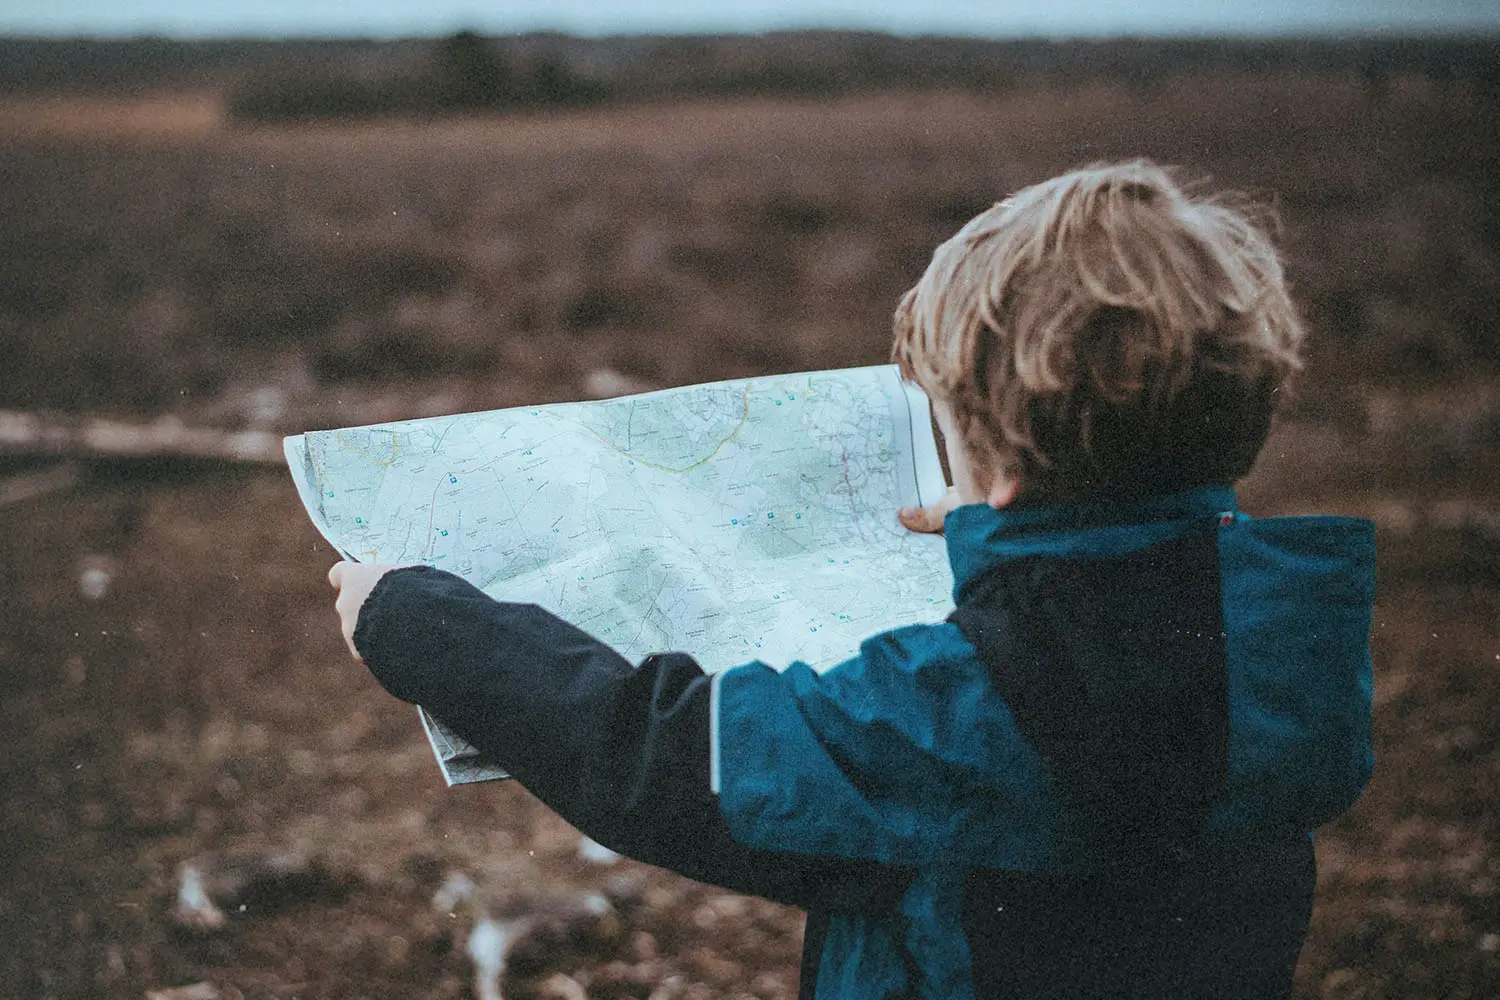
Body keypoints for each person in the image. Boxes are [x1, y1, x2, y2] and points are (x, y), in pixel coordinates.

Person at [328, 159, 1374, 1000]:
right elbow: (1121, 610)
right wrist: (1004, 544)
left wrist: (419, 622)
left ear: (1000, 465)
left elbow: (666, 755)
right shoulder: (1286, 645)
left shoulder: (965, 711)